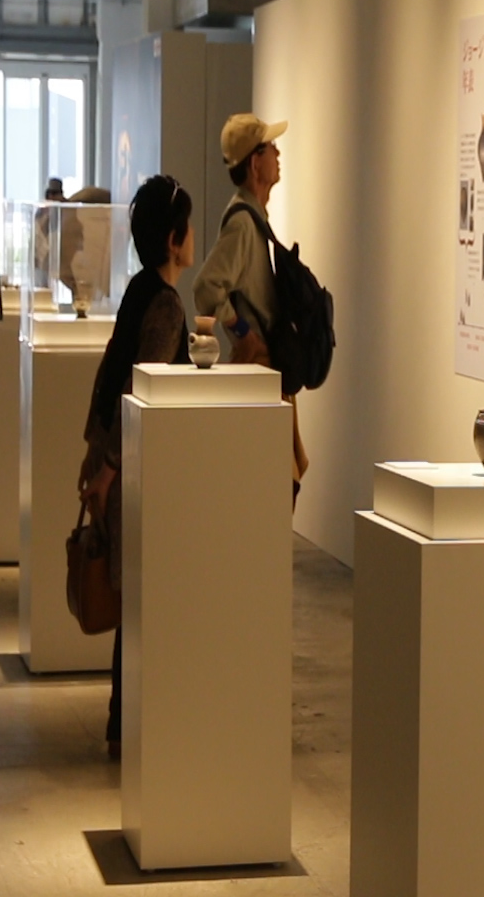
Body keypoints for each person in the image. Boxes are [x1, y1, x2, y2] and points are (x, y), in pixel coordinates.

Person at [78, 174, 194, 759]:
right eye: (188, 228)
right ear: (174, 239)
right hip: (133, 475)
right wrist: (108, 470)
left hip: (117, 467)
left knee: (136, 602)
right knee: (142, 603)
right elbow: (135, 392)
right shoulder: (166, 306)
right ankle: (128, 727)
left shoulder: (138, 290)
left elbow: (108, 375)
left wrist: (93, 452)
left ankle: (123, 725)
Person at [193, 113, 309, 502]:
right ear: (255, 164)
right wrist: (242, 332)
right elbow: (206, 286)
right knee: (272, 491)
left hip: (265, 373)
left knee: (278, 488)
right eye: (270, 147)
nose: (278, 153)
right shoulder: (243, 223)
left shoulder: (252, 217)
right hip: (257, 372)